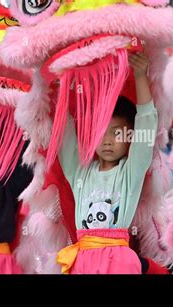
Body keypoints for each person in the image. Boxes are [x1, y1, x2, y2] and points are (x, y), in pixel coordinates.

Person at [56, 53, 158, 274]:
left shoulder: (131, 173)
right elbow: (64, 133)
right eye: (101, 132)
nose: (108, 140)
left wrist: (140, 76)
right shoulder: (79, 174)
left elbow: (147, 124)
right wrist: (66, 88)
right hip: (82, 261)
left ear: (131, 137)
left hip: (119, 261)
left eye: (117, 133)